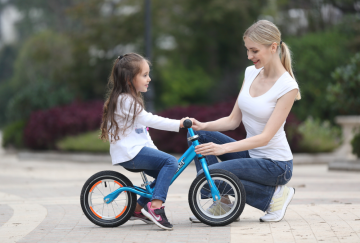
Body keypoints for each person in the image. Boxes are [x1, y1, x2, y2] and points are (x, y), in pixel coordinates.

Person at [188, 20, 300, 223]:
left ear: (273, 47)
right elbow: (233, 120)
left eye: (254, 51)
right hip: (252, 154)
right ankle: (222, 202)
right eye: (247, 50)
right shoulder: (251, 73)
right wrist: (203, 126)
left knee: (211, 173)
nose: (249, 56)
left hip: (276, 164)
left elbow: (265, 138)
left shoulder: (287, 87)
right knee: (200, 137)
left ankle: (274, 197)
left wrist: (224, 149)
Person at [100, 53, 193, 230]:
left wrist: (156, 152)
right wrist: (179, 123)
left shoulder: (130, 99)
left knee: (166, 169)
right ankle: (156, 207)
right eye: (144, 75)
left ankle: (138, 208)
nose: (149, 79)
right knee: (171, 162)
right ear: (129, 79)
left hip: (135, 150)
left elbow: (143, 132)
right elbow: (150, 120)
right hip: (130, 153)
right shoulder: (125, 100)